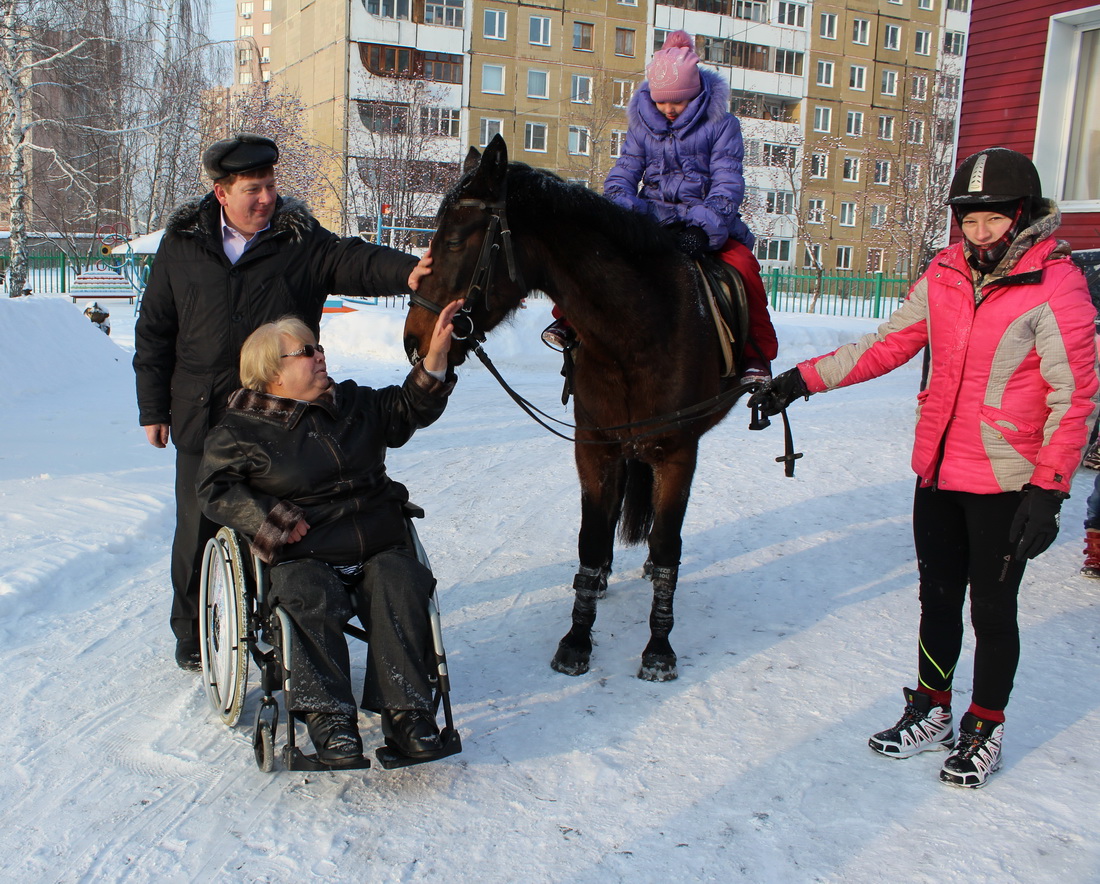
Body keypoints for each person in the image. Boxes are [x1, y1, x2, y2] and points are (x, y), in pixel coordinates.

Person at [750, 147, 1098, 788]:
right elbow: (885, 345)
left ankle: (983, 726)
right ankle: (930, 709)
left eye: (993, 219)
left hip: (1005, 479)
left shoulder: (1057, 285)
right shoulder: (943, 274)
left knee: (992, 611)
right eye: (969, 220)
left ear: (1022, 214)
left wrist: (1049, 491)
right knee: (937, 598)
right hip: (937, 471)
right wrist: (798, 381)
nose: (981, 232)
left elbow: (1074, 394)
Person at [133, 134, 432, 671]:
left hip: (282, 419)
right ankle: (193, 635)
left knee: (287, 517)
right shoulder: (183, 245)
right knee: (198, 527)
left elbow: (351, 260)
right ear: (222, 192)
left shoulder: (298, 240)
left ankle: (289, 612)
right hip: (204, 413)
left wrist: (406, 272)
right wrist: (152, 406)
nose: (267, 197)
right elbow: (156, 329)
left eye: (271, 185)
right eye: (254, 188)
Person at [196, 301, 462, 765]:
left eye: (318, 348)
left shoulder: (354, 403)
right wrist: (269, 519)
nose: (319, 356)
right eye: (305, 351)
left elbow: (406, 408)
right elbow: (214, 489)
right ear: (272, 373)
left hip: (377, 540)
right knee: (305, 591)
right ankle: (329, 719)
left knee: (400, 582)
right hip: (307, 550)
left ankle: (408, 714)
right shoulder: (242, 431)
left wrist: (436, 356)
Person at [543, 30, 778, 385]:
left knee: (743, 267)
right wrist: (623, 214)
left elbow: (728, 185)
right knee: (598, 254)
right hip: (652, 221)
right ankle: (571, 319)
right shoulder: (642, 128)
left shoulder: (722, 126)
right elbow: (622, 176)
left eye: (678, 102)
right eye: (661, 102)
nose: (668, 109)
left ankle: (755, 355)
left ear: (695, 92)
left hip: (705, 223)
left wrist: (701, 229)